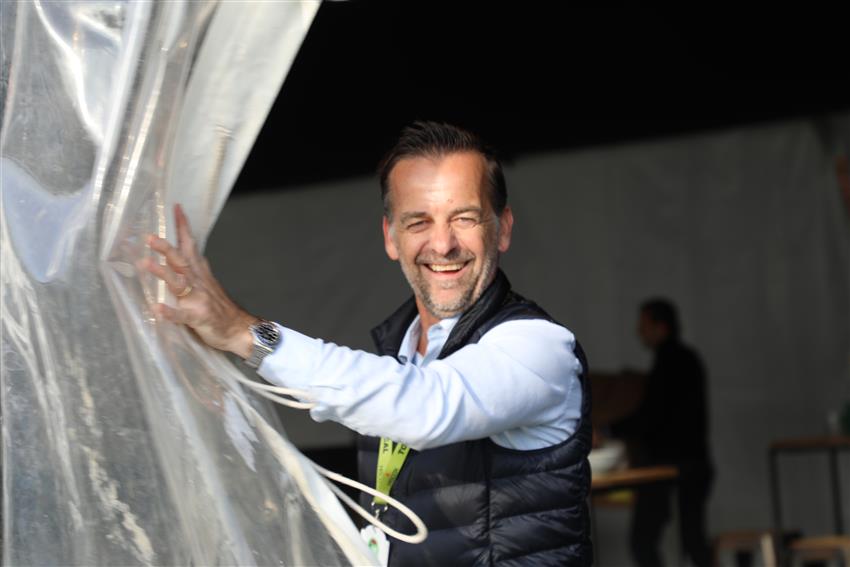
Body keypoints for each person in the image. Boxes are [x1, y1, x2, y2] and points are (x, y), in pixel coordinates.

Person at [142, 121, 592, 566]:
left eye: (464, 218)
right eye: (418, 221)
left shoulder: (539, 346)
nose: (442, 244)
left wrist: (246, 334)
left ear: (503, 228)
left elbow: (425, 407)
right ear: (391, 238)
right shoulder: (397, 352)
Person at [612, 299, 713, 567]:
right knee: (691, 540)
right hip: (688, 464)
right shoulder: (681, 360)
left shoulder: (672, 362)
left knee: (646, 541)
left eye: (644, 325)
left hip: (672, 466)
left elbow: (652, 416)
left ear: (661, 327)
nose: (639, 332)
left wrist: (610, 429)